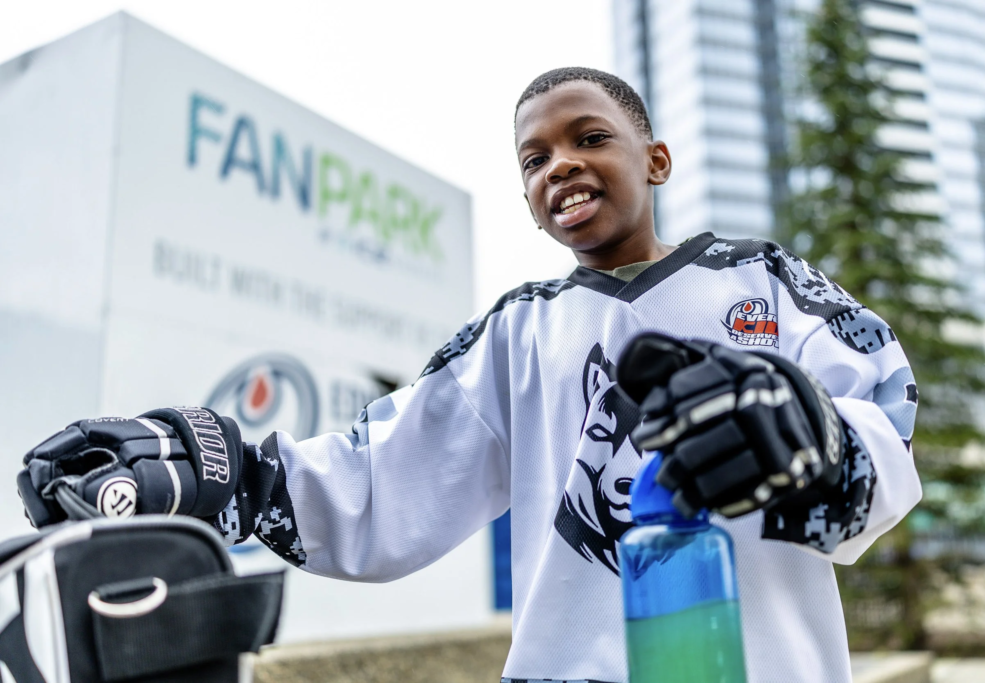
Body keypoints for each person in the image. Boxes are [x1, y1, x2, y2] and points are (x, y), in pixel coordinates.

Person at [18, 67, 922, 683]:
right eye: (534, 159)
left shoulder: (760, 279)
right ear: (531, 203)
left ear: (655, 160)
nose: (560, 162)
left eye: (589, 137)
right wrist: (226, 470)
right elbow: (380, 478)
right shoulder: (514, 334)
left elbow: (882, 405)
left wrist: (815, 438)